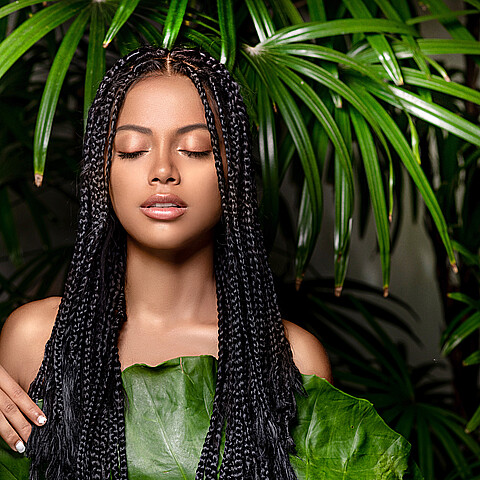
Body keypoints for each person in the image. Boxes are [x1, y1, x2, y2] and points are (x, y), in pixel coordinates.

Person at [0, 46, 420, 480]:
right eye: (131, 150)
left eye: (196, 149)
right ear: (101, 174)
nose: (162, 170)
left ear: (233, 174)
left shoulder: (292, 358)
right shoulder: (33, 339)